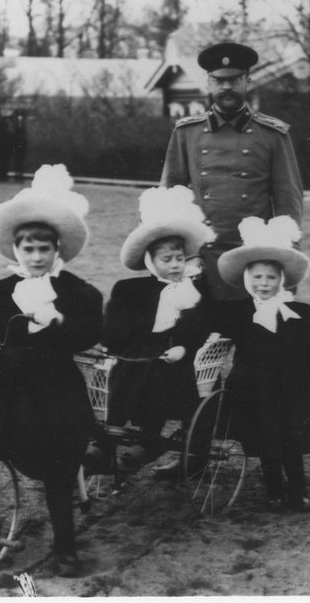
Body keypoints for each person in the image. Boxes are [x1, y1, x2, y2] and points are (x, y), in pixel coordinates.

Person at [0, 164, 102, 577]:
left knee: (58, 455)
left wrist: (57, 322)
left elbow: (87, 334)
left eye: (43, 250)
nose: (35, 258)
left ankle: (65, 544)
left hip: (53, 386)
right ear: (14, 251)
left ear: (57, 251)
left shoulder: (76, 291)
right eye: (27, 250)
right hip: (7, 387)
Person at [210, 215, 310, 512]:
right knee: (263, 439)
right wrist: (211, 341)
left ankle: (297, 489)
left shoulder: (298, 313)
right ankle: (273, 487)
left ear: (281, 280)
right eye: (256, 277)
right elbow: (220, 335)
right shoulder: (238, 311)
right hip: (251, 386)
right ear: (247, 279)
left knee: (290, 441)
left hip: (289, 387)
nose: (263, 284)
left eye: (270, 277)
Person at [159, 42, 304, 300]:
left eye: (235, 80)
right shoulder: (186, 133)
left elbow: (287, 202)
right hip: (202, 254)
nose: (227, 87)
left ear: (247, 81)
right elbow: (169, 198)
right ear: (209, 82)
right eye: (219, 80)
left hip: (252, 254)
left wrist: (286, 254)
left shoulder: (272, 134)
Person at [95, 186, 215, 473]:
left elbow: (200, 323)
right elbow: (115, 327)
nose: (175, 265)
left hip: (175, 353)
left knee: (157, 371)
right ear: (150, 261)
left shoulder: (193, 290)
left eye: (179, 258)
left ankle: (148, 437)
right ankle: (106, 438)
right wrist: (114, 346)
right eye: (166, 259)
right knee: (124, 369)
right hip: (136, 350)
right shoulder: (129, 289)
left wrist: (184, 345)